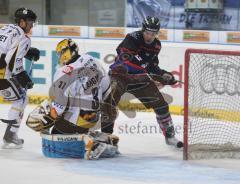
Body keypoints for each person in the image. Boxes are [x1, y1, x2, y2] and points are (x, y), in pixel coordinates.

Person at [26, 39, 119, 159]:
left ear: (66, 52)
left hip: (79, 120)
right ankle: (103, 136)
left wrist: (47, 120)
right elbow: (107, 90)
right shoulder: (91, 60)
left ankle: (88, 141)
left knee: (56, 132)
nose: (60, 57)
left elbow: (58, 107)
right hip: (93, 119)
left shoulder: (63, 72)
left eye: (60, 54)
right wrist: (108, 128)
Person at [101, 16, 183, 148]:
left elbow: (152, 66)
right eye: (147, 33)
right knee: (110, 100)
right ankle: (105, 136)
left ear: (157, 33)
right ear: (143, 30)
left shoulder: (156, 45)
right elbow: (125, 61)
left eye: (153, 34)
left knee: (161, 105)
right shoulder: (132, 38)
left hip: (140, 79)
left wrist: (164, 75)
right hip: (120, 75)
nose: (149, 36)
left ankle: (170, 137)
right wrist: (149, 73)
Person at [0, 7, 40, 148]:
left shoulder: (7, 28)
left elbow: (6, 48)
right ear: (22, 22)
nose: (32, 26)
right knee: (22, 99)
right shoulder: (24, 37)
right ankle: (10, 135)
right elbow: (13, 62)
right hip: (1, 76)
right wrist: (24, 79)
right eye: (30, 23)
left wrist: (27, 52)